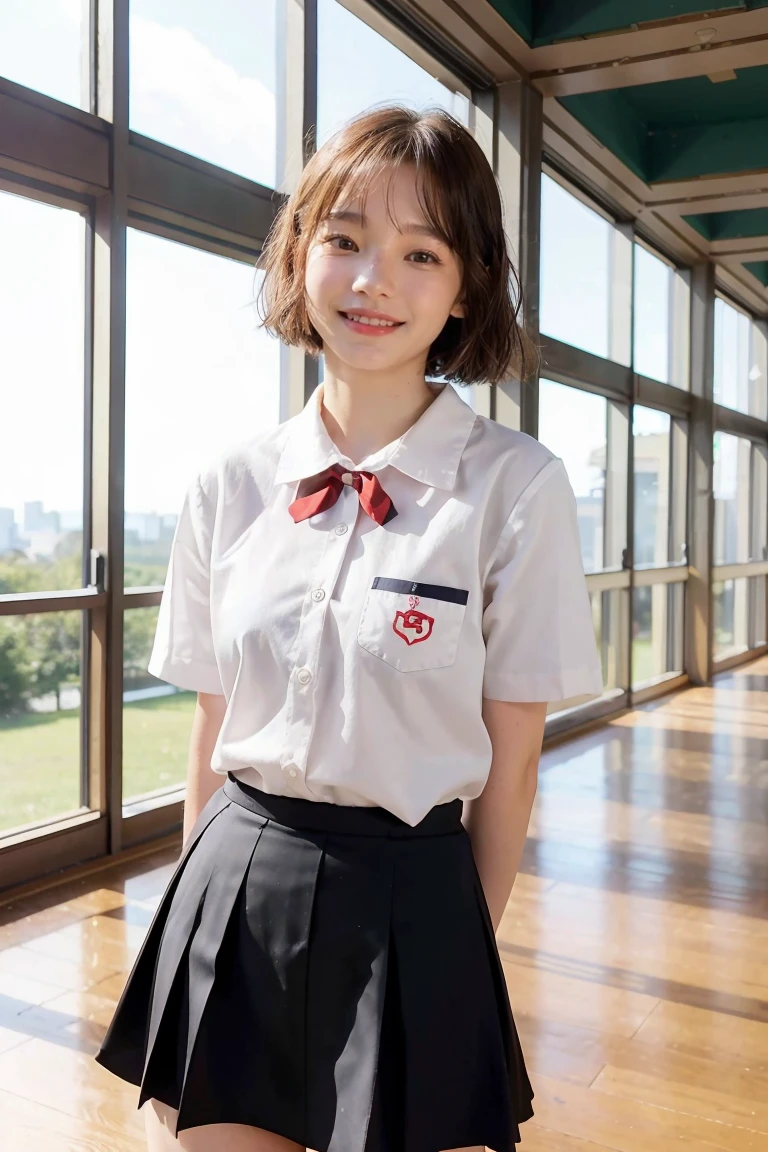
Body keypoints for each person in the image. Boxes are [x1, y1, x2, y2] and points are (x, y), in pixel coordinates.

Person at [94, 104, 603, 1152]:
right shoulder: (228, 485)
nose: (374, 281)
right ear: (299, 256)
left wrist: (457, 960)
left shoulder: (516, 489)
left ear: (468, 286)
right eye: (345, 240)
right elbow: (212, 725)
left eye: (421, 252)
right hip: (237, 880)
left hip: (415, 895)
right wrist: (199, 925)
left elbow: (510, 770)